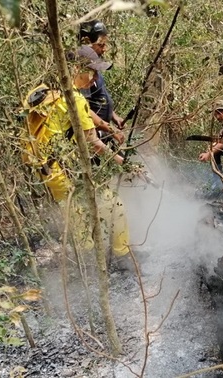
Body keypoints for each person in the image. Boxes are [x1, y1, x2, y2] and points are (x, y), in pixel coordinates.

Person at [22, 46, 132, 270]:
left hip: (49, 170)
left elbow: (85, 115)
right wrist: (124, 163)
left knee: (82, 215)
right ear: (76, 69)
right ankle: (110, 263)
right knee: (106, 209)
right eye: (92, 72)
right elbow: (94, 143)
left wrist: (109, 127)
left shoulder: (55, 91)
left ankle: (92, 264)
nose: (95, 79)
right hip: (61, 170)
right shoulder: (75, 100)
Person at [78, 20, 126, 148]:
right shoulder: (82, 72)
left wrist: (114, 117)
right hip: (93, 138)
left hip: (103, 133)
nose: (104, 49)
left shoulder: (94, 65)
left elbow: (100, 95)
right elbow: (84, 111)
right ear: (87, 42)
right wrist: (111, 130)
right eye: (101, 45)